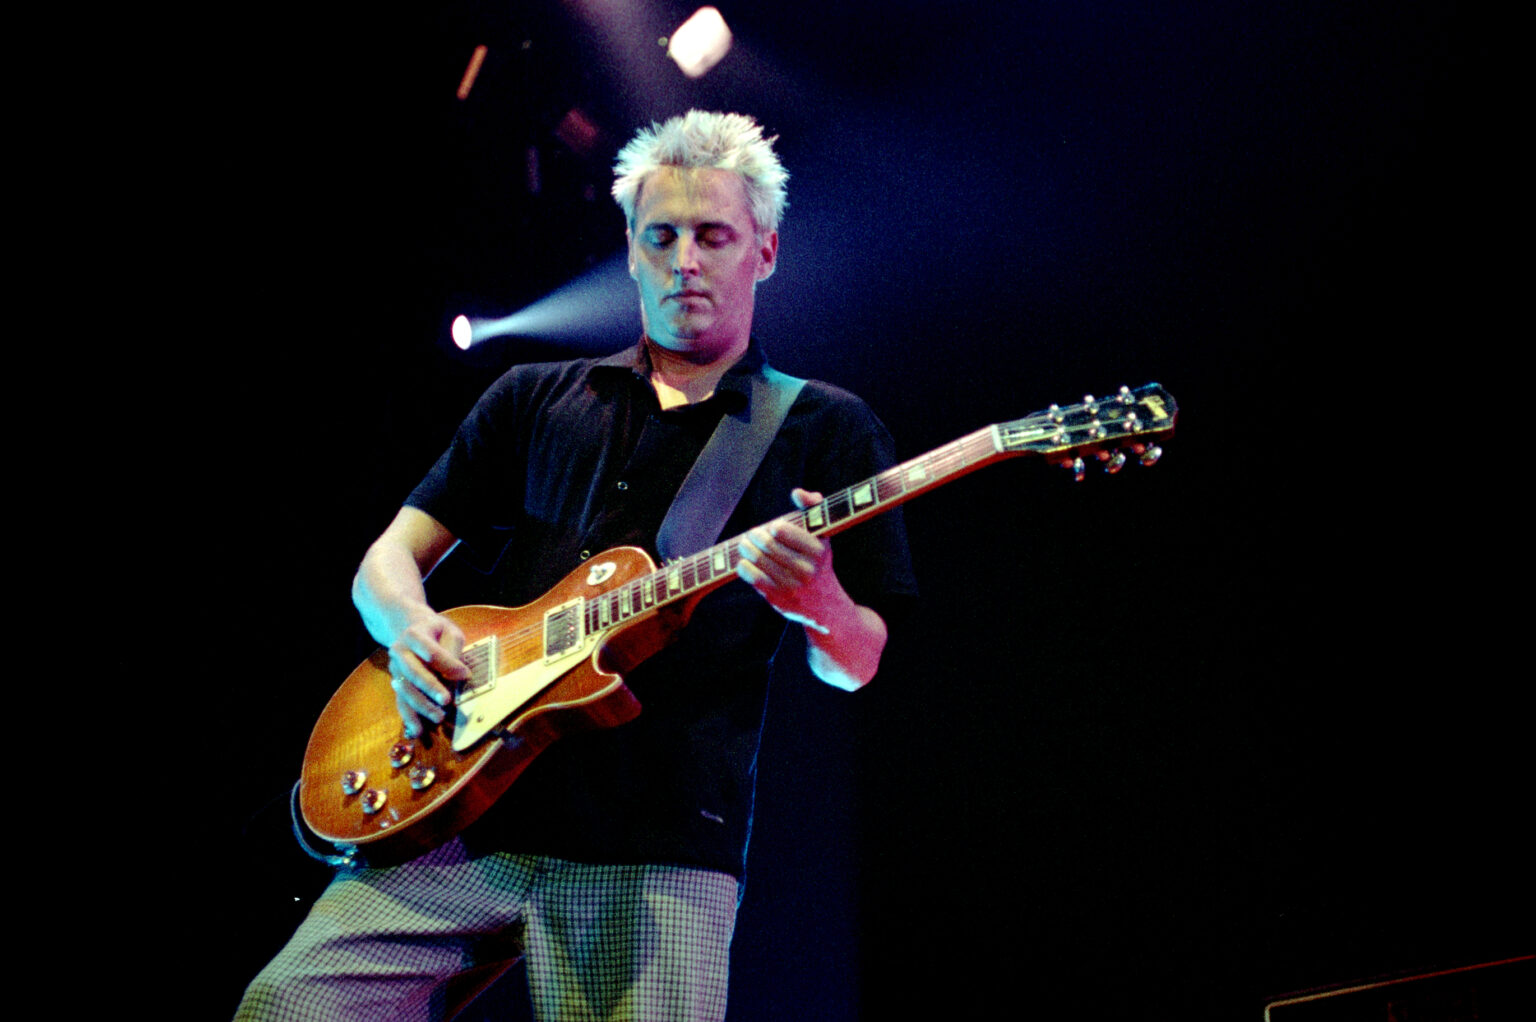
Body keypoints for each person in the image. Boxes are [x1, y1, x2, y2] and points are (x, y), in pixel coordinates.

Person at [237, 109, 916, 1021]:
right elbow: (386, 563)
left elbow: (857, 659)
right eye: (661, 236)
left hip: (658, 843)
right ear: (630, 251)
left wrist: (820, 599)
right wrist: (409, 630)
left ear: (763, 253)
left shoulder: (825, 429)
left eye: (713, 235)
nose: (685, 259)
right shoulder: (533, 398)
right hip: (467, 812)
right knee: (289, 1005)